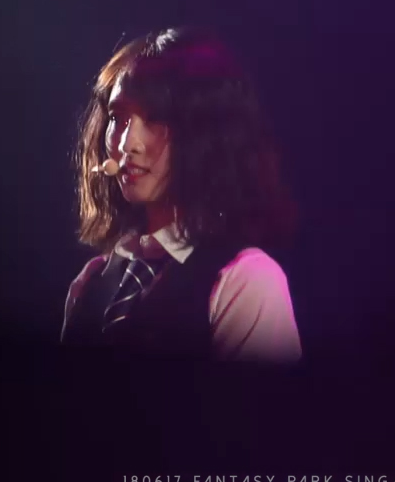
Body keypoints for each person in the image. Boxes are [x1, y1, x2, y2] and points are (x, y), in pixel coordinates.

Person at [61, 29, 302, 362]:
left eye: (156, 118)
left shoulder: (247, 281)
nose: (127, 144)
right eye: (118, 118)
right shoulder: (91, 281)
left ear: (207, 134)